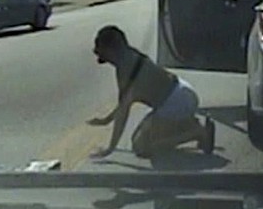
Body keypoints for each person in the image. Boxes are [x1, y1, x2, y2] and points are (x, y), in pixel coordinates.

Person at [87, 25, 215, 159]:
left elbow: (123, 113)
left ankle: (198, 132)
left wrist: (110, 149)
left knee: (141, 147)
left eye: (101, 51)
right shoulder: (131, 55)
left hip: (175, 102)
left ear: (111, 50)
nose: (100, 56)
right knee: (140, 139)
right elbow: (124, 102)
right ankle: (187, 124)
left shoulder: (125, 69)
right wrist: (106, 120)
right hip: (181, 92)